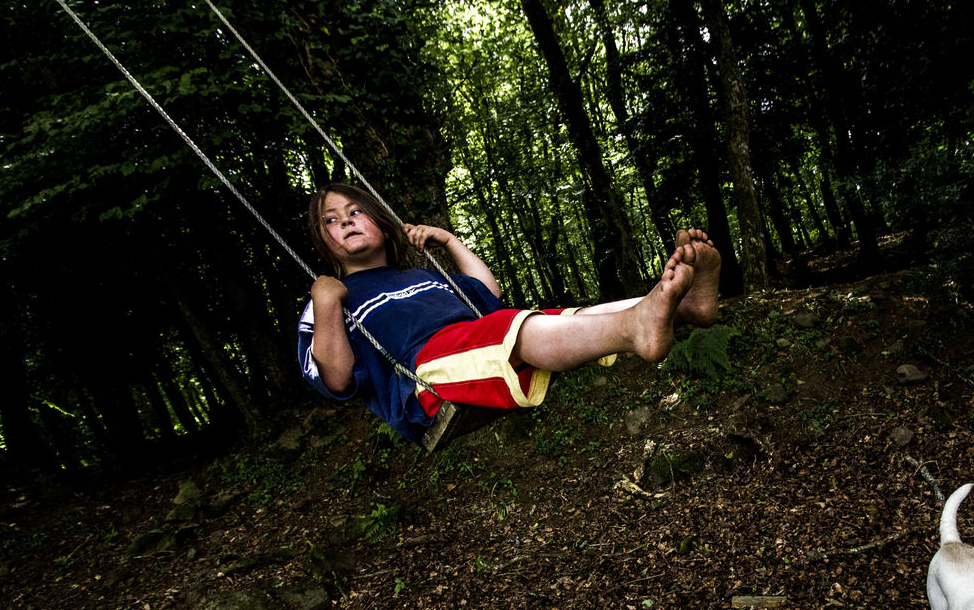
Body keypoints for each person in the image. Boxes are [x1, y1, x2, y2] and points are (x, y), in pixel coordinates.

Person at [296, 183, 721, 443]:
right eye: (331, 220)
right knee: (508, 329)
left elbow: (487, 294)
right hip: (427, 376)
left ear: (382, 223)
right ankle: (636, 328)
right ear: (322, 241)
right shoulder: (334, 298)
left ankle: (684, 308)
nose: (346, 222)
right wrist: (326, 300)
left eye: (355, 212)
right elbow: (337, 378)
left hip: (478, 340)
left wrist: (450, 241)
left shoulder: (420, 276)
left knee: (564, 317)